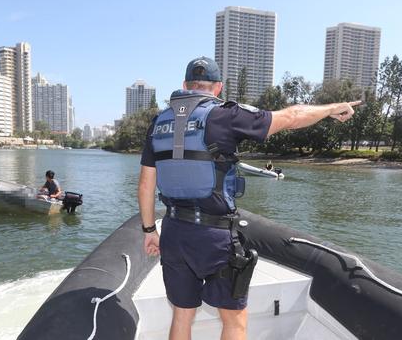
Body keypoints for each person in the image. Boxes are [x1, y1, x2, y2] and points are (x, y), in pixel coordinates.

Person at [137, 56, 360, 340]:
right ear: (218, 87)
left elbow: (145, 185)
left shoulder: (159, 122)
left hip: (174, 232)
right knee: (234, 319)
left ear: (185, 85)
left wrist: (148, 231)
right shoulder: (225, 115)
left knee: (182, 313)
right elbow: (290, 117)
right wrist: (331, 108)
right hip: (213, 235)